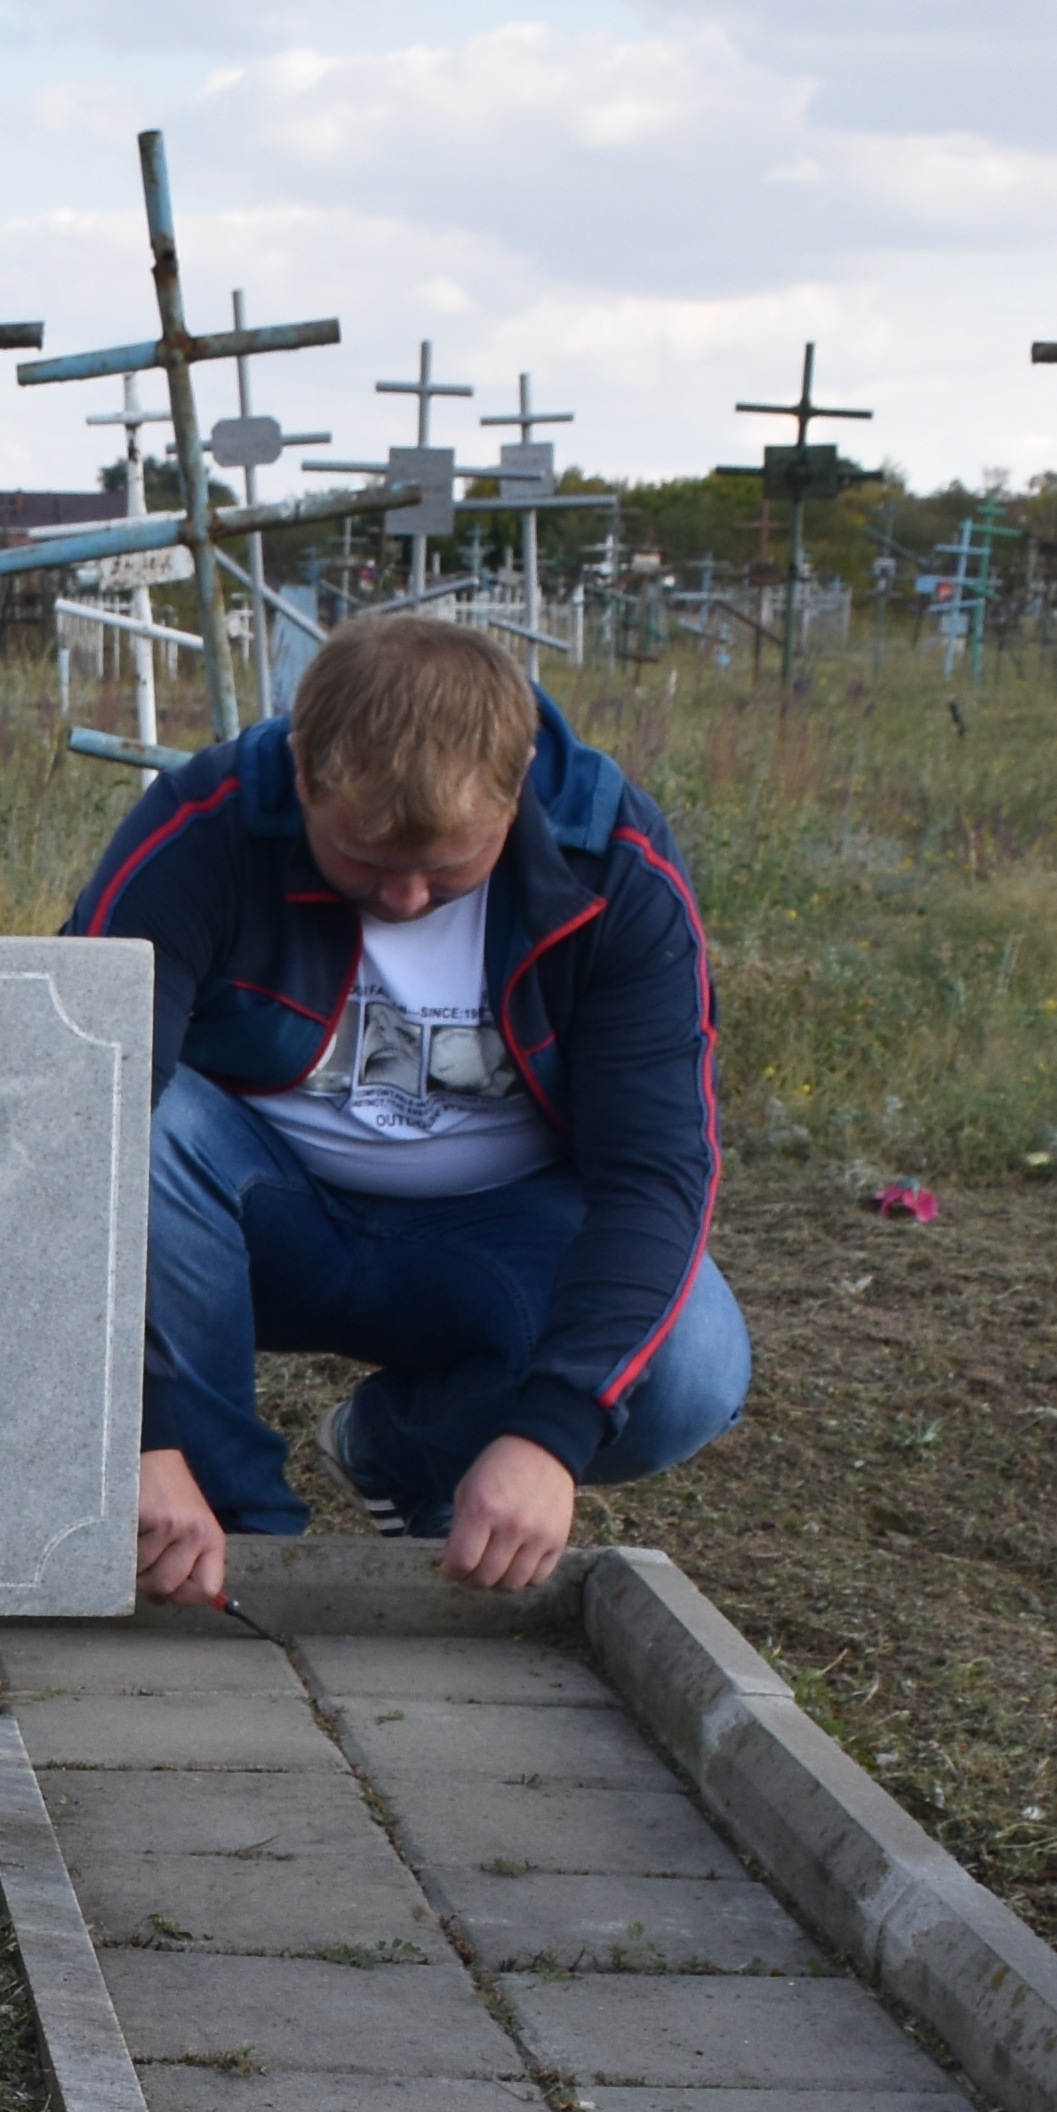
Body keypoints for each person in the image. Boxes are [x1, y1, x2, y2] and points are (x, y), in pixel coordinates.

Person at [77, 608, 752, 1608]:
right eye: (363, 861)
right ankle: (230, 1533)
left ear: (517, 786)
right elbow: (81, 1113)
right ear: (304, 771)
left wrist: (547, 1436)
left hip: (494, 1233)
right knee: (150, 1125)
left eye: (447, 869)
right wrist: (138, 1433)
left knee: (690, 1366)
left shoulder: (613, 862)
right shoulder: (205, 826)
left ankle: (406, 1449)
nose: (401, 898)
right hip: (255, 1221)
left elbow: (656, 1174)